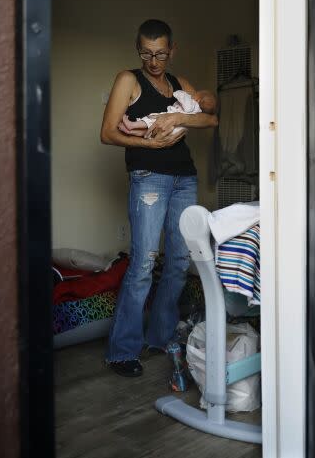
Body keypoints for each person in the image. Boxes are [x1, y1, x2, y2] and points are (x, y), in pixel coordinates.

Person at [100, 19, 218, 377]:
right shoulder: (128, 80)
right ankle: (122, 351)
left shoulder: (180, 85)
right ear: (138, 50)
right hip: (149, 178)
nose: (154, 61)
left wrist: (181, 115)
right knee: (144, 264)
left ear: (172, 50)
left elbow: (210, 118)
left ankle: (160, 337)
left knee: (180, 262)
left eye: (161, 54)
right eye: (147, 53)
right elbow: (107, 133)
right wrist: (147, 142)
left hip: (185, 178)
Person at [118, 89, 202, 137]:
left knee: (153, 120)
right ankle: (130, 132)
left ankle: (131, 125)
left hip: (172, 124)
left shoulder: (192, 103)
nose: (193, 93)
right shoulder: (198, 112)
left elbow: (182, 98)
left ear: (199, 99)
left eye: (197, 93)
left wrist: (181, 93)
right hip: (175, 131)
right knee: (150, 132)